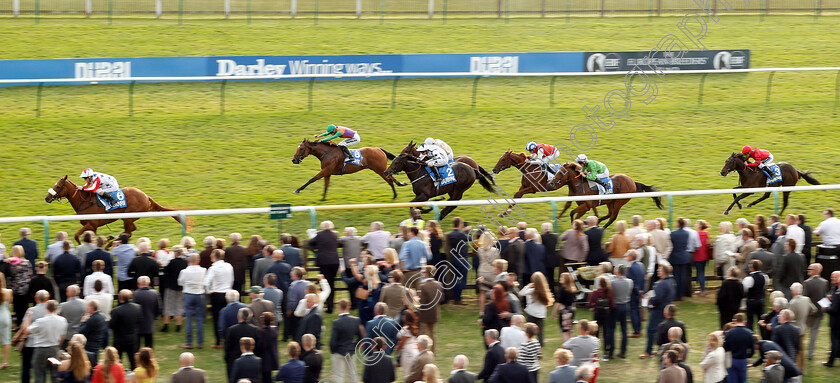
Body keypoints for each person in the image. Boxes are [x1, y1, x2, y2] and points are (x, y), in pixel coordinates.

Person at [23, 299, 68, 383]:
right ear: (56, 309)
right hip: (53, 350)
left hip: (40, 351)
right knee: (55, 373)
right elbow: (62, 336)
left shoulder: (40, 321)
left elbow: (26, 331)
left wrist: (28, 317)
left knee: (39, 373)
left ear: (46, 308)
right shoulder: (62, 320)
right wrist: (57, 345)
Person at [642, 265, 675, 359]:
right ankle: (662, 349)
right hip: (667, 309)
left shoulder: (662, 284)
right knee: (663, 330)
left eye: (659, 270)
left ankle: (648, 351)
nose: (658, 271)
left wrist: (649, 300)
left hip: (658, 310)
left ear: (664, 272)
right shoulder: (672, 281)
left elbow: (657, 299)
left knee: (651, 330)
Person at [205, 248, 234, 348]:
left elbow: (206, 282)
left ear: (214, 257)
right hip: (227, 293)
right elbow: (231, 279)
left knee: (217, 318)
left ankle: (218, 341)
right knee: (228, 317)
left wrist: (208, 291)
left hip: (216, 294)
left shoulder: (213, 268)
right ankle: (228, 339)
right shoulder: (229, 266)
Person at [310, 221, 340, 314]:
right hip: (334, 261)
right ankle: (330, 306)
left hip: (324, 262)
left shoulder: (319, 234)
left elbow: (311, 242)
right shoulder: (335, 235)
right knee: (332, 283)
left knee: (325, 283)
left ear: (322, 227)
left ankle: (328, 305)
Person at [330, 299, 362, 383]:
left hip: (339, 352)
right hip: (350, 351)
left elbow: (333, 341)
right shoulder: (355, 320)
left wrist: (333, 351)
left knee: (339, 376)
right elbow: (361, 337)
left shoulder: (336, 322)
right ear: (348, 307)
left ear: (339, 307)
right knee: (353, 375)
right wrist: (354, 346)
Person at [110, 289, 141, 370]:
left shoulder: (117, 310)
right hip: (132, 339)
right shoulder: (138, 307)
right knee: (133, 362)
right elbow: (140, 320)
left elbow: (111, 325)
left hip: (119, 340)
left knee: (117, 361)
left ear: (120, 298)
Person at [225, 307, 260, 378]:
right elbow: (258, 346)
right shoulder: (255, 330)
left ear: (239, 317)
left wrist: (227, 359)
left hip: (234, 360)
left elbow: (228, 347)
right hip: (252, 362)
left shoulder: (232, 330)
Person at [519, 271, 553, 344]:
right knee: (540, 330)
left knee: (529, 329)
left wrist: (527, 286)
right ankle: (540, 343)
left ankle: (528, 341)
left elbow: (521, 293)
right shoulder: (544, 291)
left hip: (531, 313)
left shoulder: (532, 291)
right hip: (541, 314)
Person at [586, 276, 614, 360]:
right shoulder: (609, 293)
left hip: (597, 314)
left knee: (595, 334)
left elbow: (589, 305)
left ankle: (595, 353)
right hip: (606, 315)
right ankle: (606, 353)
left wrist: (595, 305)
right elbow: (612, 305)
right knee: (606, 334)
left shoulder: (595, 293)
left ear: (598, 283)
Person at [804, 263, 829, 360]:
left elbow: (805, 298)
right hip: (819, 312)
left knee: (803, 331)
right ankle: (810, 353)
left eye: (810, 268)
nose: (808, 270)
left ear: (816, 270)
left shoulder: (807, 283)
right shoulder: (825, 282)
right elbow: (825, 297)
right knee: (814, 333)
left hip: (809, 312)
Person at [417, 265, 444, 352]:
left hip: (424, 313)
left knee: (422, 333)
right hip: (434, 312)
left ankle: (421, 350)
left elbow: (422, 302)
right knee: (432, 333)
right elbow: (442, 298)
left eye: (424, 272)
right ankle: (433, 351)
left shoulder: (423, 286)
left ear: (427, 274)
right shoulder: (439, 284)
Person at [162, 245, 188, 333]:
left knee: (168, 305)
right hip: (181, 287)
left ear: (176, 253)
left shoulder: (172, 262)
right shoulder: (185, 262)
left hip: (171, 286)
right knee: (179, 306)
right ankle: (178, 326)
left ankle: (166, 325)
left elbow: (165, 271)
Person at [723, 313, 755, 383]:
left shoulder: (729, 333)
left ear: (734, 321)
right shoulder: (749, 333)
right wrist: (746, 356)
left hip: (731, 360)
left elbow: (725, 348)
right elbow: (752, 351)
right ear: (744, 322)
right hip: (742, 360)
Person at [9, 245, 33, 327]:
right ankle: (25, 325)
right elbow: (30, 274)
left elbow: (10, 275)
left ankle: (19, 325)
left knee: (17, 308)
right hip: (25, 288)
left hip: (15, 288)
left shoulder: (12, 264)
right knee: (25, 307)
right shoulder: (27, 262)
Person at [133, 276, 160, 348]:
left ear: (138, 284)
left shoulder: (136, 294)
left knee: (137, 346)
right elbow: (158, 308)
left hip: (138, 324)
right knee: (149, 346)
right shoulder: (155, 293)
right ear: (149, 283)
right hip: (149, 322)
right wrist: (154, 317)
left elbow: (134, 308)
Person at [447, 217, 469, 305]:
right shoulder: (461, 234)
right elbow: (469, 238)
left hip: (454, 259)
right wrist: (467, 231)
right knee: (463, 280)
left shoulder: (450, 234)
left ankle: (456, 298)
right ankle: (458, 298)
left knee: (455, 279)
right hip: (462, 259)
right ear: (460, 224)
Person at [254, 312, 279, 383]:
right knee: (268, 377)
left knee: (266, 378)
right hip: (272, 357)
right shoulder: (275, 330)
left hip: (265, 359)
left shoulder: (263, 332)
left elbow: (261, 345)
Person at [825, 270, 840, 367]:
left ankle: (831, 362)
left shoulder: (838, 293)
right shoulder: (835, 289)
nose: (832, 278)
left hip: (837, 321)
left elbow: (834, 309)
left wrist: (826, 309)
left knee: (835, 341)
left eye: (835, 277)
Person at [0, 273, 11, 369]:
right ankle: (5, 362)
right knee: (6, 339)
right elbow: (9, 305)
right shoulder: (8, 291)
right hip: (5, 316)